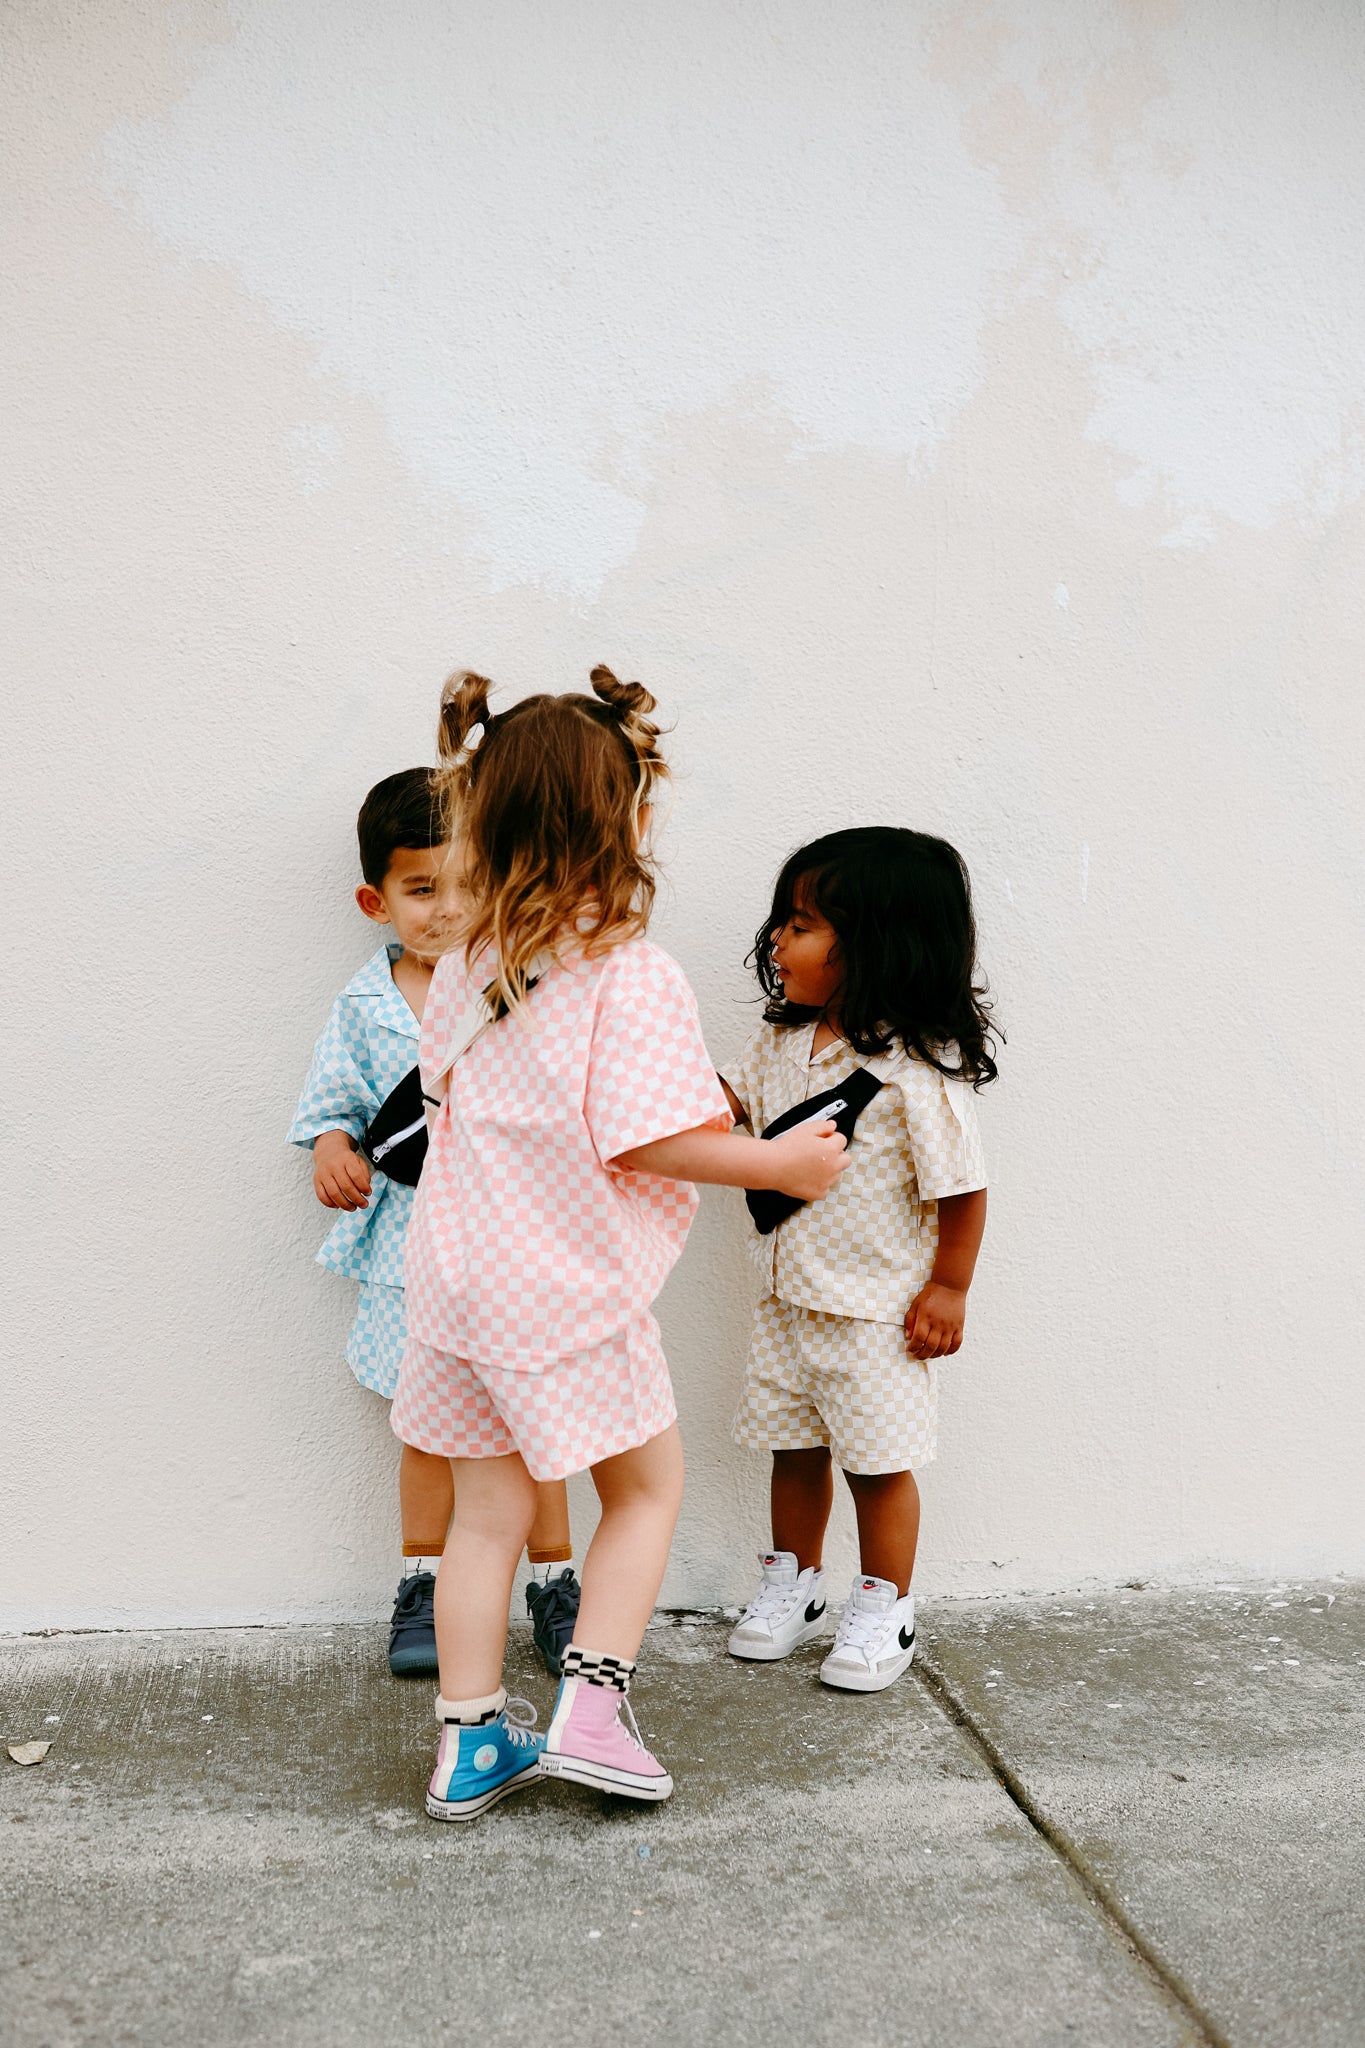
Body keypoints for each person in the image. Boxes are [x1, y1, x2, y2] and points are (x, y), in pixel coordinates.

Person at [393, 666, 848, 1821]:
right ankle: (591, 1712)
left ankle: (468, 1741)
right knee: (647, 1488)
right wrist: (784, 1163)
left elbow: (490, 1099)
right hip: (564, 1290)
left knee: (484, 1518)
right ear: (629, 821)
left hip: (458, 1289)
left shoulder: (463, 964)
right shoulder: (629, 973)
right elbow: (650, 1143)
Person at [288, 769, 582, 1678]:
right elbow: (332, 1102)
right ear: (378, 899)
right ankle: (421, 1580)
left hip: (514, 1249)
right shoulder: (365, 1002)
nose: (448, 909)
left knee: (537, 1425)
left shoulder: (523, 982)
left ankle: (555, 1582)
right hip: (409, 1256)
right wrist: (332, 1146)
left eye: (469, 885)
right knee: (425, 1429)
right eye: (422, 889)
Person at [721, 827, 995, 1693]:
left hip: (876, 1314)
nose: (777, 940)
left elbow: (962, 1186)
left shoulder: (914, 1067)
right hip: (783, 1303)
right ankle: (792, 1584)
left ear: (876, 943)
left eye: (799, 926)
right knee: (791, 1451)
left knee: (877, 1466)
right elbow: (726, 1098)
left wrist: (948, 1286)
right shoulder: (780, 1043)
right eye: (782, 923)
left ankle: (885, 1604)